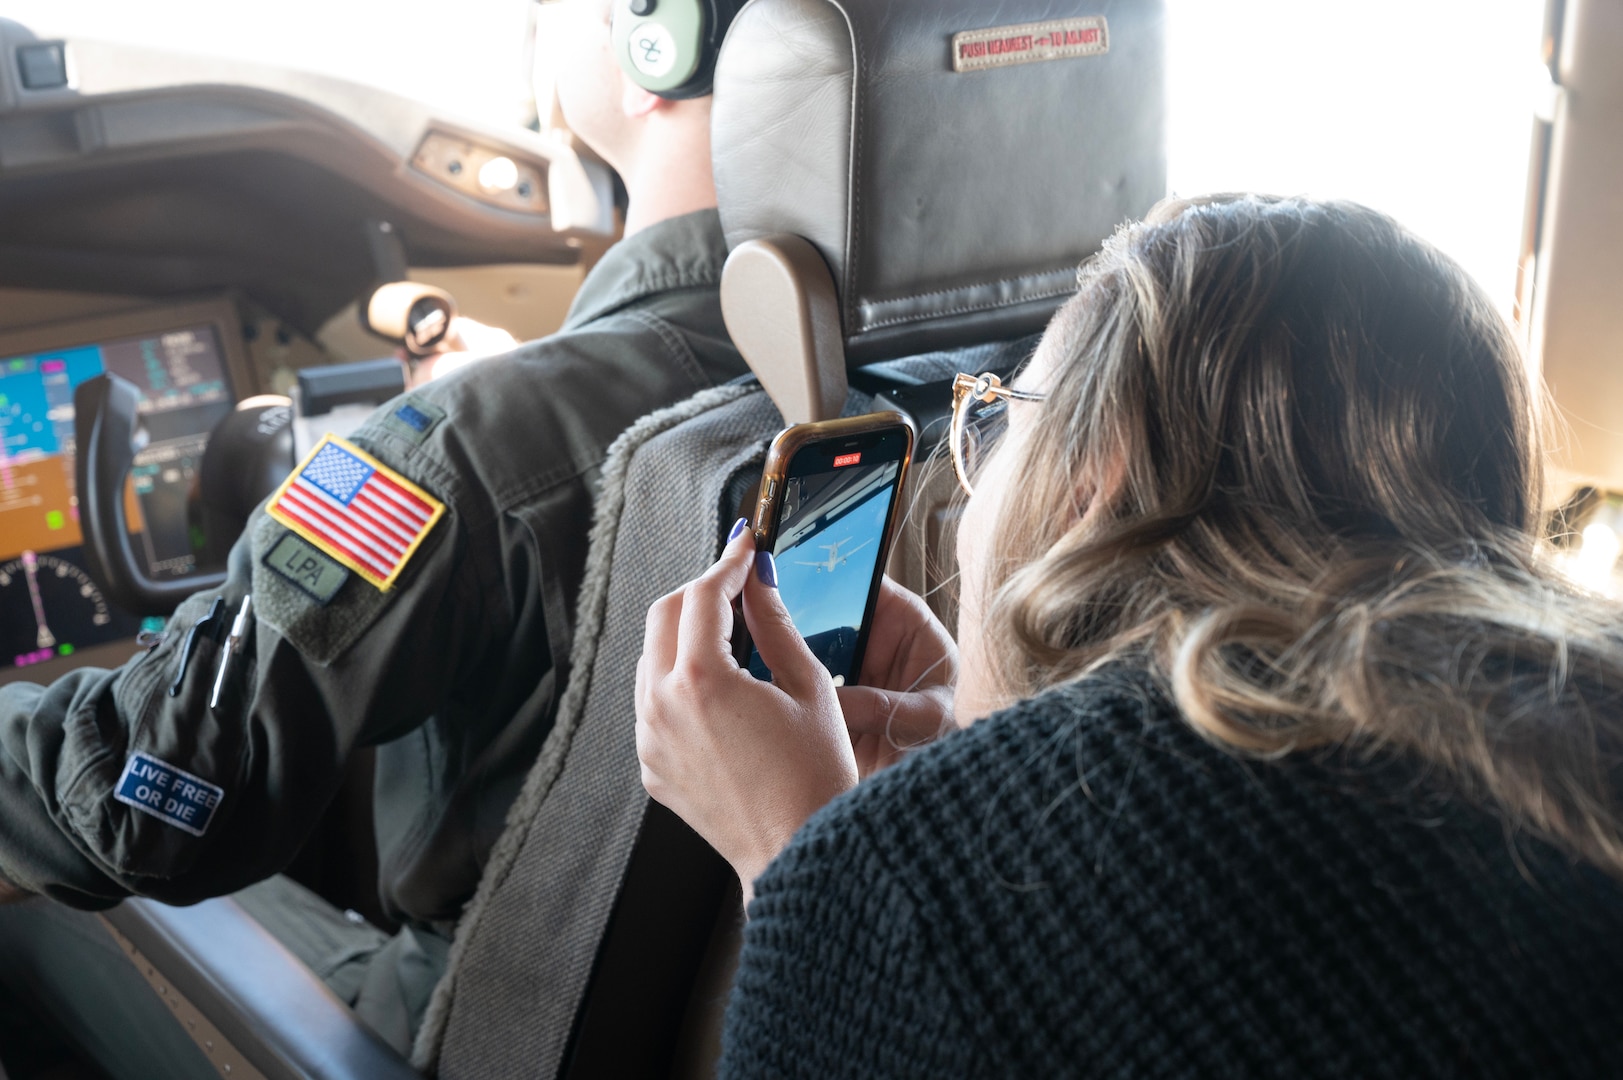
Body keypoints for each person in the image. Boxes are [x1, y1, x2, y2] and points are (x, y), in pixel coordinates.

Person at [636, 194, 1623, 1076]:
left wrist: (800, 859)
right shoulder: (1574, 719)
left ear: (1090, 482)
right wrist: (973, 753)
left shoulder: (907, 891)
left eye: (996, 422)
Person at [0, 0, 748, 1070]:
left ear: (654, 38)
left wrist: (457, 437)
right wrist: (499, 402)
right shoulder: (953, 362)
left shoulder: (467, 451)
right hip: (694, 1025)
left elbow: (143, 800)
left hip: (461, 1030)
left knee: (38, 891)